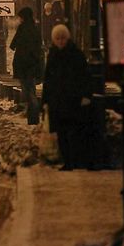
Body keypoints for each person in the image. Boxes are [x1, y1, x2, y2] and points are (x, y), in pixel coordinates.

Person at [42, 24, 93, 170]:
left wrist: (86, 95)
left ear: (67, 38)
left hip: (72, 99)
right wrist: (45, 101)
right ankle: (68, 162)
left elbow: (85, 76)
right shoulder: (52, 54)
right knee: (61, 134)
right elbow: (48, 79)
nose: (60, 41)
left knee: (73, 132)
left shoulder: (76, 54)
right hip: (57, 101)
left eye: (63, 38)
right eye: (57, 38)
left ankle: (74, 160)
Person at [10, 7, 45, 125]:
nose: (19, 20)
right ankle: (32, 116)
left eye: (20, 17)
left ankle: (33, 116)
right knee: (31, 90)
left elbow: (13, 44)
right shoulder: (35, 29)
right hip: (33, 64)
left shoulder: (22, 28)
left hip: (23, 64)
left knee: (28, 91)